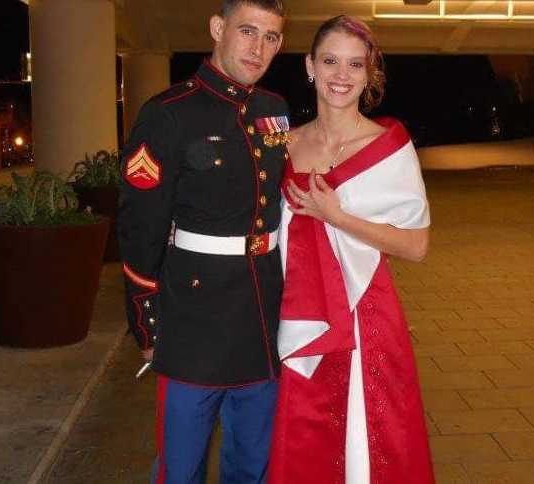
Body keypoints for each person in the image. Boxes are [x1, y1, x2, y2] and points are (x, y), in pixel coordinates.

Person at [117, 1, 289, 482]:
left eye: (272, 37)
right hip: (193, 320)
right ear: (218, 28)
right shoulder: (167, 114)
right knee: (182, 467)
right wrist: (147, 327)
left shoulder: (274, 110)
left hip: (262, 316)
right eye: (248, 31)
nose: (259, 48)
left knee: (254, 464)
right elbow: (140, 229)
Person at [267, 15, 436, 484]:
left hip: (366, 317)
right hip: (297, 316)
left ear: (369, 73)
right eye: (330, 61)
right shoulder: (284, 145)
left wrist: (336, 216)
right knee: (305, 434)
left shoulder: (389, 147)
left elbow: (417, 246)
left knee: (370, 439)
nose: (341, 76)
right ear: (310, 67)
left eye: (355, 65)